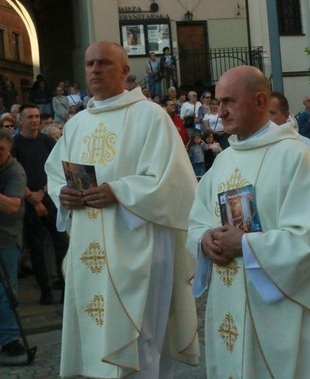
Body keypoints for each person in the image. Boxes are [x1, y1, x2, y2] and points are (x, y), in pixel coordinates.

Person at [187, 66, 310, 377]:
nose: (220, 112)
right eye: (217, 102)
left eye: (229, 102)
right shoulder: (223, 161)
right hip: (228, 306)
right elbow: (197, 219)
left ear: (260, 100)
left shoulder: (295, 156)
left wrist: (244, 244)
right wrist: (205, 239)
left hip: (279, 309)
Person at [45, 41, 199, 377]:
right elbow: (56, 174)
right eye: (89, 64)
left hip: (139, 247)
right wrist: (63, 195)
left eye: (104, 63)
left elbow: (174, 181)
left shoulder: (151, 116)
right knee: (93, 335)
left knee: (141, 340)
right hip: (89, 249)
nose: (95, 70)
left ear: (125, 70)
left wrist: (118, 190)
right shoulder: (77, 124)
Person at [13, 104, 68, 305]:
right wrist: (32, 197)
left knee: (60, 244)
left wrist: (43, 192)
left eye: (37, 116)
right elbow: (15, 173)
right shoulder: (15, 143)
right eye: (29, 117)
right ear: (21, 120)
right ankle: (45, 290)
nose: (34, 120)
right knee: (36, 248)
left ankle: (64, 287)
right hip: (27, 201)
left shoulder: (47, 142)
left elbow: (56, 169)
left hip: (49, 198)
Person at [0, 130, 27, 357]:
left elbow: (12, 206)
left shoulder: (15, 171)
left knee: (6, 291)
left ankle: (9, 338)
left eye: (0, 150)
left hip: (6, 239)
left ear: (9, 150)